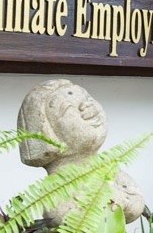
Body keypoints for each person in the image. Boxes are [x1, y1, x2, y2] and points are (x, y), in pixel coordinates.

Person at [18, 79, 145, 224]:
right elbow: (62, 217)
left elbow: (138, 201)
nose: (87, 107)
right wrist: (102, 206)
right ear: (47, 133)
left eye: (88, 99)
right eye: (69, 108)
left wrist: (126, 203)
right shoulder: (56, 186)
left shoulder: (108, 168)